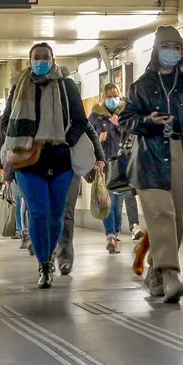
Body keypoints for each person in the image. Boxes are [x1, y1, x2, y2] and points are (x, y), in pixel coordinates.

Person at [120, 26, 183, 303]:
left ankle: (155, 272)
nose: (171, 52)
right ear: (157, 49)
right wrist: (149, 121)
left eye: (176, 46)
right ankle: (171, 273)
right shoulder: (142, 85)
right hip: (149, 157)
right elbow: (126, 119)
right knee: (162, 215)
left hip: (180, 153)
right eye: (166, 46)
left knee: (178, 219)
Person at [0, 43, 90, 288]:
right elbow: (6, 122)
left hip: (60, 158)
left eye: (45, 57)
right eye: (36, 57)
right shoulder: (20, 86)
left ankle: (49, 255)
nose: (41, 61)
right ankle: (44, 263)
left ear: (53, 59)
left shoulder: (66, 85)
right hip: (27, 159)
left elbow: (81, 120)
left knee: (56, 216)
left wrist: (65, 140)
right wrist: (4, 161)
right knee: (38, 213)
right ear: (30, 60)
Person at [55, 108, 106, 273]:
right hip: (43, 163)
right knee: (46, 211)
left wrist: (99, 157)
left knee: (67, 210)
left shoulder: (71, 104)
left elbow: (88, 128)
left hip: (71, 164)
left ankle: (65, 255)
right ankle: (46, 251)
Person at [89, 84, 129, 254]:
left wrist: (119, 125)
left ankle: (116, 231)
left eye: (114, 96)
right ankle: (110, 236)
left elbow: (132, 135)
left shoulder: (125, 114)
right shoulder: (96, 116)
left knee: (118, 204)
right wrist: (99, 139)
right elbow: (89, 138)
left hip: (122, 164)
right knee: (108, 201)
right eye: (108, 96)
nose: (112, 99)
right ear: (103, 98)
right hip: (104, 164)